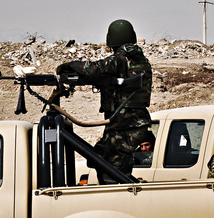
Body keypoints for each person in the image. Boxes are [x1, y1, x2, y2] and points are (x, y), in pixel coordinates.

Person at [56, 19, 152, 179]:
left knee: (110, 169)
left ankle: (119, 198)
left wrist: (69, 66)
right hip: (130, 122)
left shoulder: (119, 60)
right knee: (105, 159)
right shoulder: (141, 61)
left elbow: (93, 69)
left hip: (124, 124)